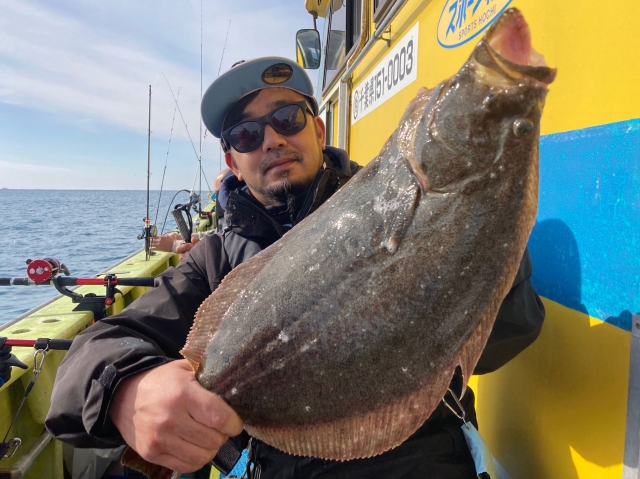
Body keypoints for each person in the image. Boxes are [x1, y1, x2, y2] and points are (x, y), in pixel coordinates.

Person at [45, 57, 545, 479]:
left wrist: (480, 235)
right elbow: (89, 356)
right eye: (246, 134)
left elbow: (509, 335)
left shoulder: (394, 196)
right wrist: (127, 390)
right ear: (233, 162)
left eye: (287, 118)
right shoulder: (214, 261)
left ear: (317, 129)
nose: (271, 140)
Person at [150, 168, 232, 255]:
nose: (217, 199)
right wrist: (178, 237)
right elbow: (217, 233)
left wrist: (173, 245)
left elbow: (222, 246)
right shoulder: (230, 218)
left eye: (219, 193)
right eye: (215, 194)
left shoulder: (237, 223)